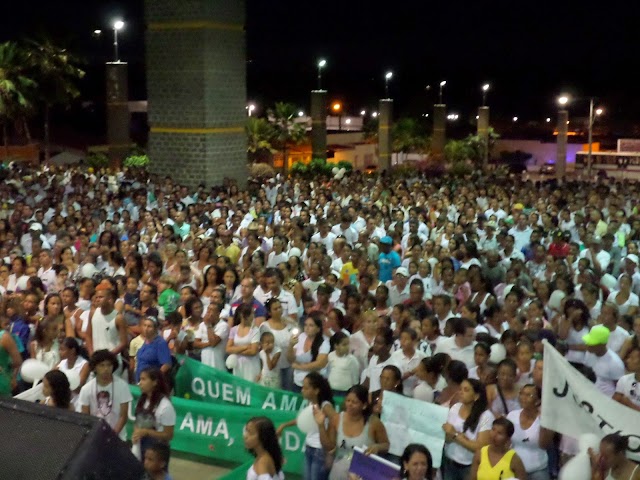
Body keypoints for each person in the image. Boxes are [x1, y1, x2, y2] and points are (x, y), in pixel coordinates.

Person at [317, 384, 390, 480]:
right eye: (348, 400)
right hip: (339, 473)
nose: (350, 405)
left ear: (364, 405)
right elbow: (330, 447)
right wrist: (321, 426)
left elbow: (386, 445)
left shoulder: (374, 423)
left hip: (363, 474)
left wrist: (377, 447)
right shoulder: (337, 419)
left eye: (354, 402)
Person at [277, 372, 335, 480]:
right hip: (309, 447)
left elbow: (336, 421)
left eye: (306, 388)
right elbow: (302, 420)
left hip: (320, 451)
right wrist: (284, 425)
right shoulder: (311, 403)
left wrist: (330, 450)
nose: (302, 390)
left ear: (316, 390)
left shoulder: (325, 406)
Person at [442, 378, 494, 480]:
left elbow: (480, 447)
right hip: (449, 461)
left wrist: (455, 435)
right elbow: (447, 435)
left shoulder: (486, 416)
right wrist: (451, 436)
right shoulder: (455, 408)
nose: (461, 392)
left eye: (466, 390)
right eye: (460, 389)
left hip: (469, 467)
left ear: (476, 396)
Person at [79, 350, 133, 440]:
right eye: (102, 365)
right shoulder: (86, 389)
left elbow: (123, 417)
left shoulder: (122, 386)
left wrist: (111, 436)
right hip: (95, 437)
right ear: (95, 368)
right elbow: (86, 417)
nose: (106, 369)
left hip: (117, 437)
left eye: (109, 365)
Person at [507, 384, 554, 480]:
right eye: (522, 394)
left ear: (538, 401)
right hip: (514, 470)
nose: (523, 398)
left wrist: (543, 422)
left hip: (538, 471)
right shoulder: (512, 415)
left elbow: (544, 445)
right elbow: (506, 442)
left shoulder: (546, 420)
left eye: (529, 395)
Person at [132, 367, 176, 461]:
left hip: (158, 452)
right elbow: (137, 423)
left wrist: (147, 432)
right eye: (140, 379)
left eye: (144, 379)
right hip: (141, 447)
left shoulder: (165, 406)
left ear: (155, 382)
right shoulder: (141, 401)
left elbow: (168, 435)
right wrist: (136, 434)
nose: (140, 383)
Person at [288, 312, 330, 393]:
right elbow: (290, 359)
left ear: (318, 329)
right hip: (298, 382)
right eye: (306, 325)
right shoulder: (300, 337)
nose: (307, 328)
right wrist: (290, 345)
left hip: (314, 384)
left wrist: (299, 366)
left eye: (311, 325)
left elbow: (319, 364)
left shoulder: (324, 342)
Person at [226, 304, 261, 382]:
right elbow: (228, 349)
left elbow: (253, 351)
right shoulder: (234, 330)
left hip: (251, 365)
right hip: (238, 366)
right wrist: (245, 347)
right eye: (252, 313)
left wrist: (235, 350)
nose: (253, 316)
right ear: (243, 315)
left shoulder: (255, 330)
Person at [135, 316, 172, 382]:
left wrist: (153, 379)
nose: (146, 329)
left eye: (149, 326)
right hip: (140, 381)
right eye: (145, 325)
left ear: (155, 329)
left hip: (150, 383)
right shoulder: (145, 342)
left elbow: (167, 365)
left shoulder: (160, 343)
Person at [327, 331, 360, 396]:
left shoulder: (352, 360)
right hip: (331, 390)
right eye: (344, 345)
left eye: (348, 344)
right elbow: (328, 372)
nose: (347, 347)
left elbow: (355, 379)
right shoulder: (330, 356)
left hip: (345, 392)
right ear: (336, 346)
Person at [614, 345, 640, 411]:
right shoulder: (624, 379)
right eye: (629, 357)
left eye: (632, 358)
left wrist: (629, 404)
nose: (627, 361)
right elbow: (614, 403)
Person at [0, 325, 22, 395]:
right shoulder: (5, 336)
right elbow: (17, 361)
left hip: (3, 381)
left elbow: (17, 361)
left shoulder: (4, 337)